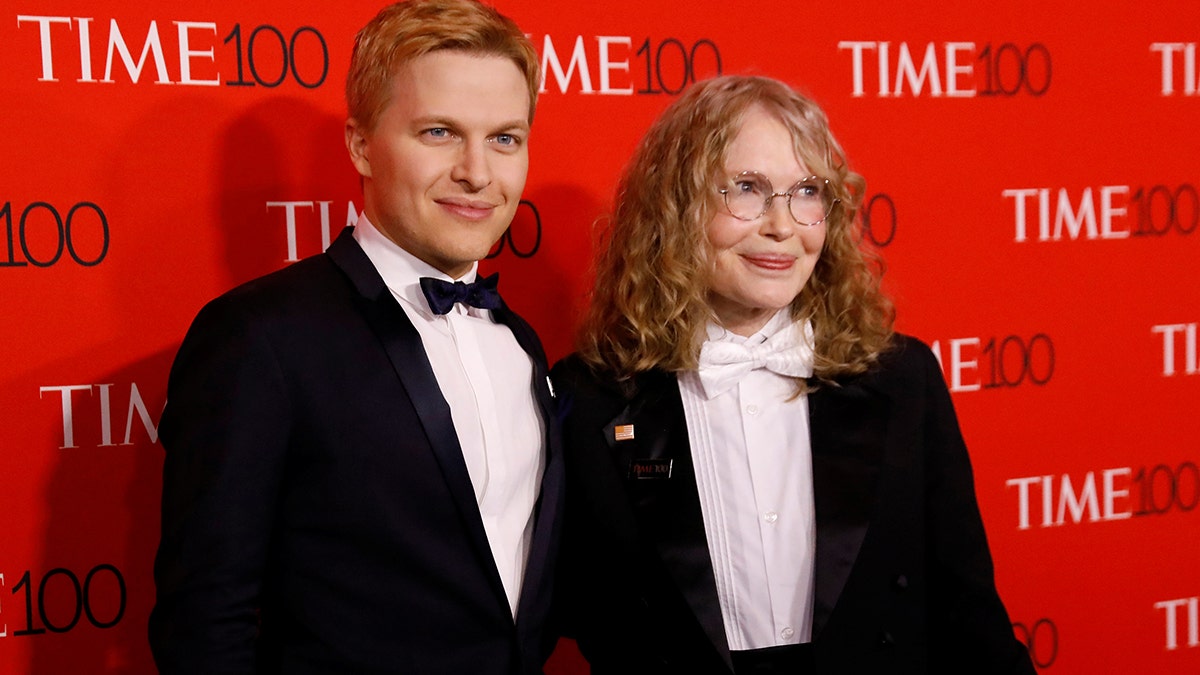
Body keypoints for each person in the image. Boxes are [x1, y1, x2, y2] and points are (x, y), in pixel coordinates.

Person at [551, 75, 1035, 674]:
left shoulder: (902, 380)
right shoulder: (590, 398)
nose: (782, 226)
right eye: (747, 189)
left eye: (806, 192)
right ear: (674, 209)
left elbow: (970, 615)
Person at [149, 1, 563, 673]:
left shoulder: (519, 340)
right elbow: (204, 619)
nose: (478, 173)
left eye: (505, 138)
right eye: (439, 132)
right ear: (360, 144)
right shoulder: (262, 337)